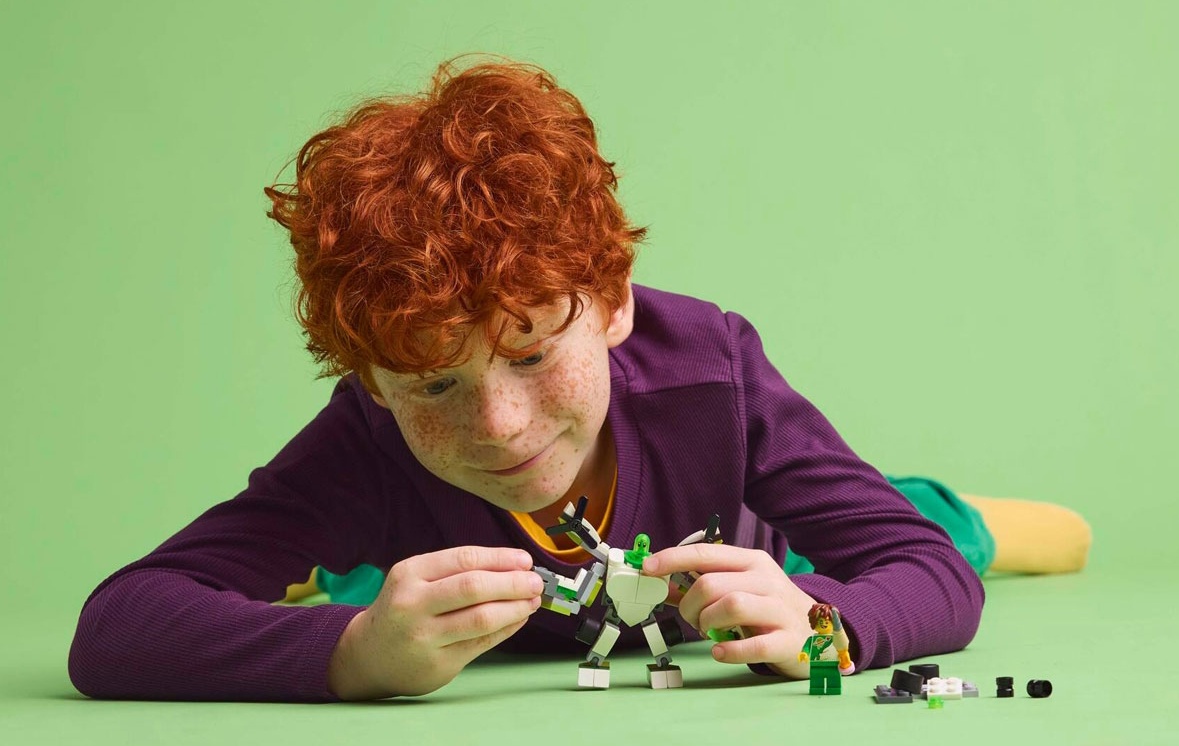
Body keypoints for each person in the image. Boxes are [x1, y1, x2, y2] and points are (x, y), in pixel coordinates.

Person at [68, 56, 1090, 703]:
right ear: (371, 383)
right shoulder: (361, 443)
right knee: (364, 593)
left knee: (934, 528)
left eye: (529, 354)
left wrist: (824, 623)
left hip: (772, 552)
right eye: (431, 386)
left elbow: (924, 571)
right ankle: (348, 583)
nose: (499, 425)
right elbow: (118, 623)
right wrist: (355, 653)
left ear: (609, 304)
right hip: (450, 588)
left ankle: (967, 506)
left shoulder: (710, 371)